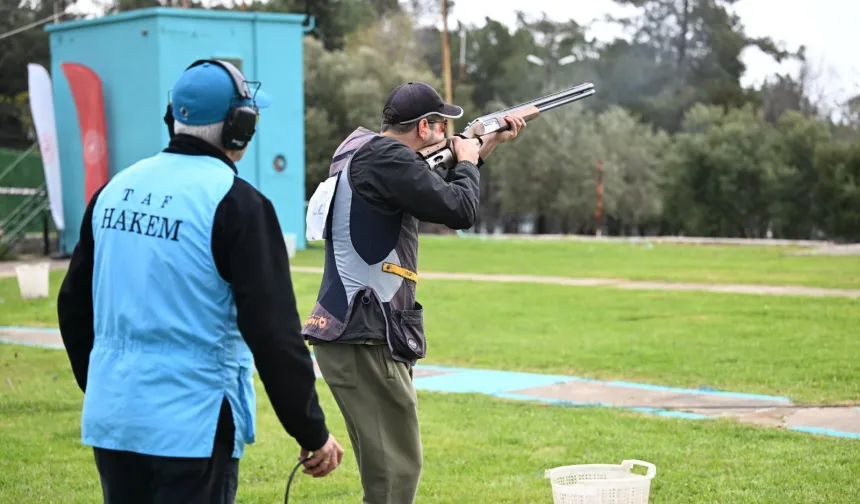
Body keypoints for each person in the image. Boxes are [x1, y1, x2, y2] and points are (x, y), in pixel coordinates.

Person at [56, 59, 343, 504]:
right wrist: (311, 430)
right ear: (239, 128)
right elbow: (272, 334)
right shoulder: (239, 205)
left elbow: (73, 307)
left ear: (173, 118)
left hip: (115, 419)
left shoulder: (113, 190)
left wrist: (105, 389)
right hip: (195, 425)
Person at [301, 81, 525, 503]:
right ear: (425, 128)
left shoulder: (360, 150)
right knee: (396, 477)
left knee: (388, 474)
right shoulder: (385, 157)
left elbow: (433, 191)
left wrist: (482, 147)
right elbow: (460, 210)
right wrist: (469, 160)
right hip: (366, 336)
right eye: (442, 126)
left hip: (353, 335)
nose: (445, 134)